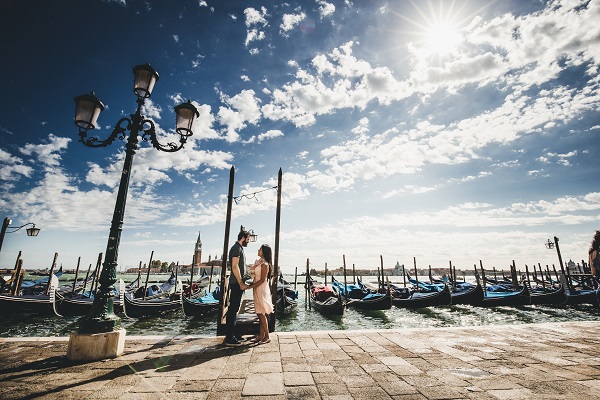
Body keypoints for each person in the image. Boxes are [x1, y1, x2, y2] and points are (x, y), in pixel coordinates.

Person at [224, 229, 250, 347]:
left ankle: (234, 333)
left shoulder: (239, 248)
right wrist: (240, 283)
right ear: (243, 238)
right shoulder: (236, 249)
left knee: (235, 309)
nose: (248, 242)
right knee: (233, 309)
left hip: (238, 283)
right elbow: (235, 266)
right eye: (248, 239)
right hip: (236, 283)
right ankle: (230, 337)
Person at [247, 244, 274, 344]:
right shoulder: (259, 263)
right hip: (256, 287)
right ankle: (261, 335)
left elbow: (262, 280)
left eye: (260, 249)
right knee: (259, 312)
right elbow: (255, 277)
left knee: (261, 313)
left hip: (261, 289)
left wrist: (250, 287)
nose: (258, 250)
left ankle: (267, 336)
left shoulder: (265, 264)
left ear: (264, 252)